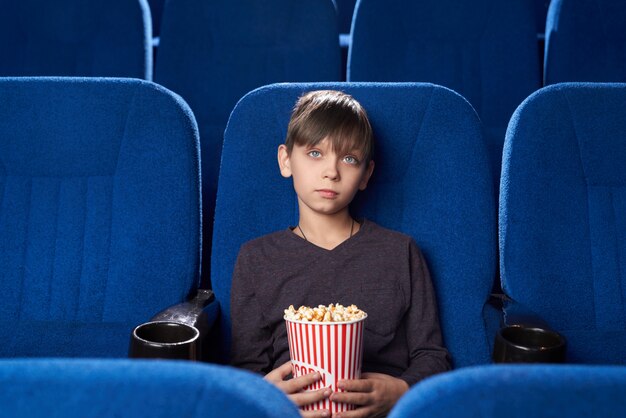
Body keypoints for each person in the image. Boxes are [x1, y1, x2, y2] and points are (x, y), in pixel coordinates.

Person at [230, 90, 450, 418]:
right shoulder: (256, 259)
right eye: (315, 153)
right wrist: (265, 396)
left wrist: (399, 391)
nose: (332, 171)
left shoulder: (400, 253)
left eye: (349, 159)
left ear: (366, 174)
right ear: (286, 160)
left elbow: (432, 356)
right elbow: (246, 368)